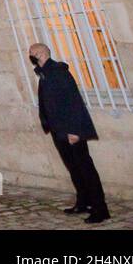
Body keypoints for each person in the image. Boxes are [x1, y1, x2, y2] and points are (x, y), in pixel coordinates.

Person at [31, 43, 109, 224]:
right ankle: (84, 202)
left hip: (71, 130)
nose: (31, 57)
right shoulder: (45, 74)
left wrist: (75, 131)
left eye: (32, 53)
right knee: (74, 168)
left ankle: (100, 208)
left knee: (85, 168)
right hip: (58, 131)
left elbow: (73, 102)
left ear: (41, 53)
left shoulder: (58, 71)